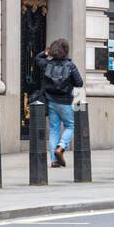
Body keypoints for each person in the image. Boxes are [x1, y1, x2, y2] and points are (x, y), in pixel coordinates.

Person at [35, 38, 84, 168]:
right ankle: (61, 148)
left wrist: (46, 53)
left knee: (53, 130)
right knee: (70, 126)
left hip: (51, 102)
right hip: (66, 102)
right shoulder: (70, 66)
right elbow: (79, 83)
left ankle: (54, 160)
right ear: (66, 50)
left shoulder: (46, 64)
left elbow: (37, 58)